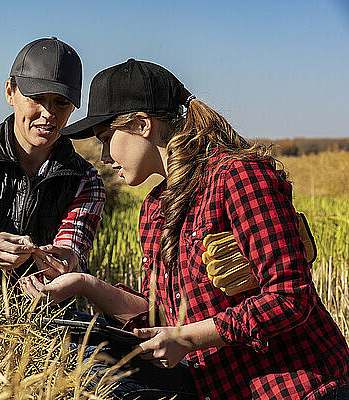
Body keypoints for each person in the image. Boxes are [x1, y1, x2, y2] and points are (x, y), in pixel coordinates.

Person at [20, 58, 349, 399]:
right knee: (78, 359)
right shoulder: (153, 209)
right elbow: (164, 317)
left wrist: (189, 338)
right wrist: (83, 284)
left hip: (299, 388)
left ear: (141, 124)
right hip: (222, 388)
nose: (104, 156)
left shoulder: (238, 177)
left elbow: (289, 296)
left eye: (106, 139)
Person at [0, 37, 105, 281]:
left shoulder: (86, 181)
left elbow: (72, 250)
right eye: (36, 98)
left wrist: (65, 263)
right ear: (9, 92)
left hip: (46, 311)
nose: (48, 114)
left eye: (61, 102)